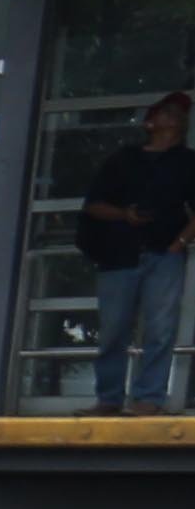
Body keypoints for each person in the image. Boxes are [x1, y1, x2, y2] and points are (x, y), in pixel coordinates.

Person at [79, 90, 194, 413]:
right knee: (114, 329)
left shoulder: (189, 162)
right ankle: (109, 399)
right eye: (167, 112)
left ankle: (149, 399)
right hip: (119, 255)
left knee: (161, 328)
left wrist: (179, 244)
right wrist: (125, 215)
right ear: (149, 123)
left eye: (180, 114)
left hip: (165, 255)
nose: (175, 117)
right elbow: (94, 206)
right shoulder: (123, 159)